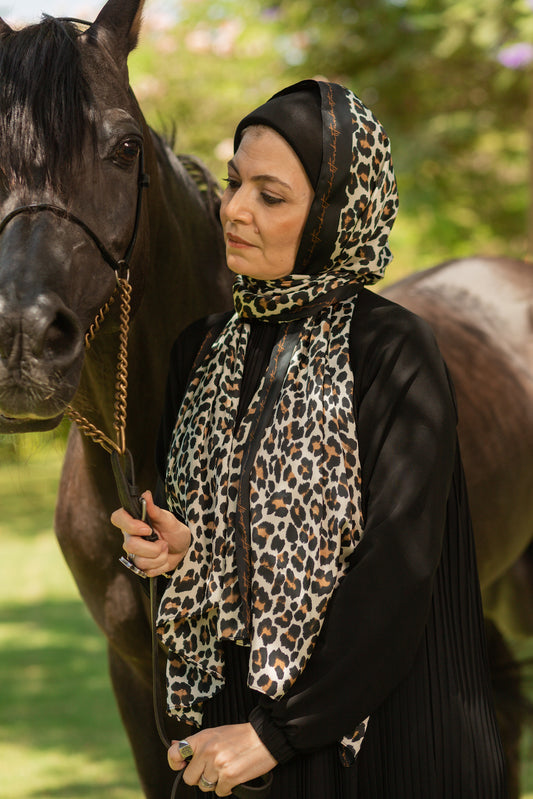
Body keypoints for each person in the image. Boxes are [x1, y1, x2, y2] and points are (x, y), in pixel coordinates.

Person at [111, 80, 507, 798]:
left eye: (270, 195)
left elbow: (399, 564)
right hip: (223, 740)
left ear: (334, 214)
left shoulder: (390, 350)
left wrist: (276, 734)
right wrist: (181, 548)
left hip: (371, 746)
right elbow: (254, 542)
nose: (232, 209)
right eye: (233, 183)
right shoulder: (198, 350)